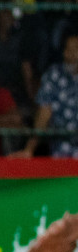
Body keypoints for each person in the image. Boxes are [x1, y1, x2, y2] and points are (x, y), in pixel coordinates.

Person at [19, 30, 78, 158]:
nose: (72, 55)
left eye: (76, 50)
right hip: (62, 148)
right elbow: (44, 113)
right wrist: (30, 148)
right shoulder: (54, 74)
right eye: (68, 49)